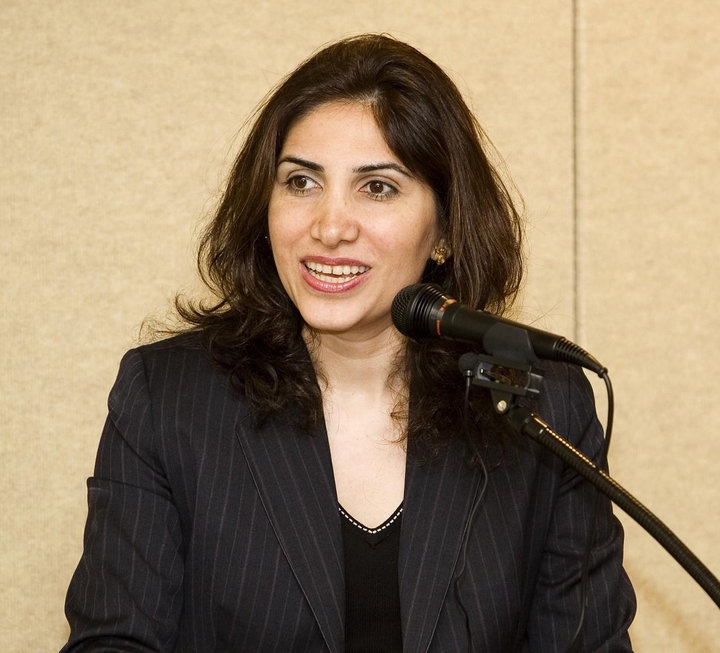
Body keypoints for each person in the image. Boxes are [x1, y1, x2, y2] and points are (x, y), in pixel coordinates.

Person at [61, 33, 635, 652]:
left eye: (377, 187)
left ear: (444, 231)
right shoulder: (169, 398)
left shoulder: (540, 408)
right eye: (301, 182)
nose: (329, 227)